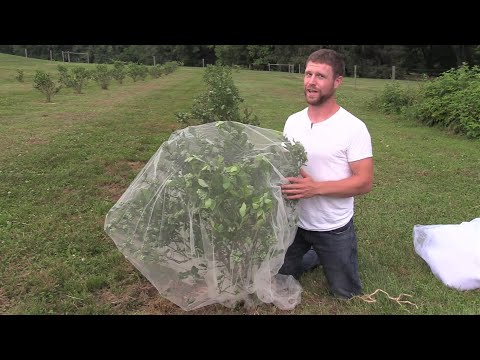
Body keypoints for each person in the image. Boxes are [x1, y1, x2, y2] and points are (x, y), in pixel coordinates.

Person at [279, 49, 373, 299]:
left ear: (337, 81)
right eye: (308, 74)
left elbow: (364, 182)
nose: (311, 81)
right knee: (279, 277)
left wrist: (315, 188)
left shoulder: (353, 128)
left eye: (320, 76)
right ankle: (314, 255)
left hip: (333, 227)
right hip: (296, 222)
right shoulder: (293, 121)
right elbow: (287, 161)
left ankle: (327, 252)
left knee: (346, 294)